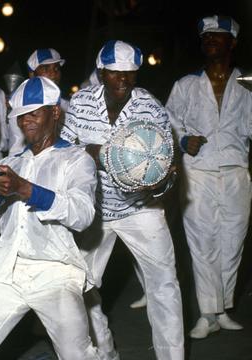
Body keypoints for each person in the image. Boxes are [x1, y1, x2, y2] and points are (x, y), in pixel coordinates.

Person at [0, 76, 101, 360]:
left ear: (54, 112)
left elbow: (83, 214)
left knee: (78, 354)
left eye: (34, 113)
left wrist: (25, 189)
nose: (26, 121)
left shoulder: (76, 159)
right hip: (7, 271)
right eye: (21, 115)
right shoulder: (11, 163)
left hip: (56, 271)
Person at [61, 40, 184, 360]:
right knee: (80, 285)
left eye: (130, 74)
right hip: (95, 209)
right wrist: (92, 153)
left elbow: (167, 173)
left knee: (165, 286)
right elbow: (63, 151)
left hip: (140, 209)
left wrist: (162, 180)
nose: (124, 81)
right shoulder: (80, 102)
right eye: (116, 74)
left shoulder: (151, 108)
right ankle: (103, 351)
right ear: (101, 73)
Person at [166, 15, 250, 339]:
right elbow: (168, 123)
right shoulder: (186, 85)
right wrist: (183, 140)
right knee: (202, 244)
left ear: (232, 42)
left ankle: (222, 309)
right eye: (206, 37)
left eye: (218, 36)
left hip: (236, 172)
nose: (211, 41)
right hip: (197, 172)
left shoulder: (247, 84)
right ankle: (206, 313)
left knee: (233, 242)